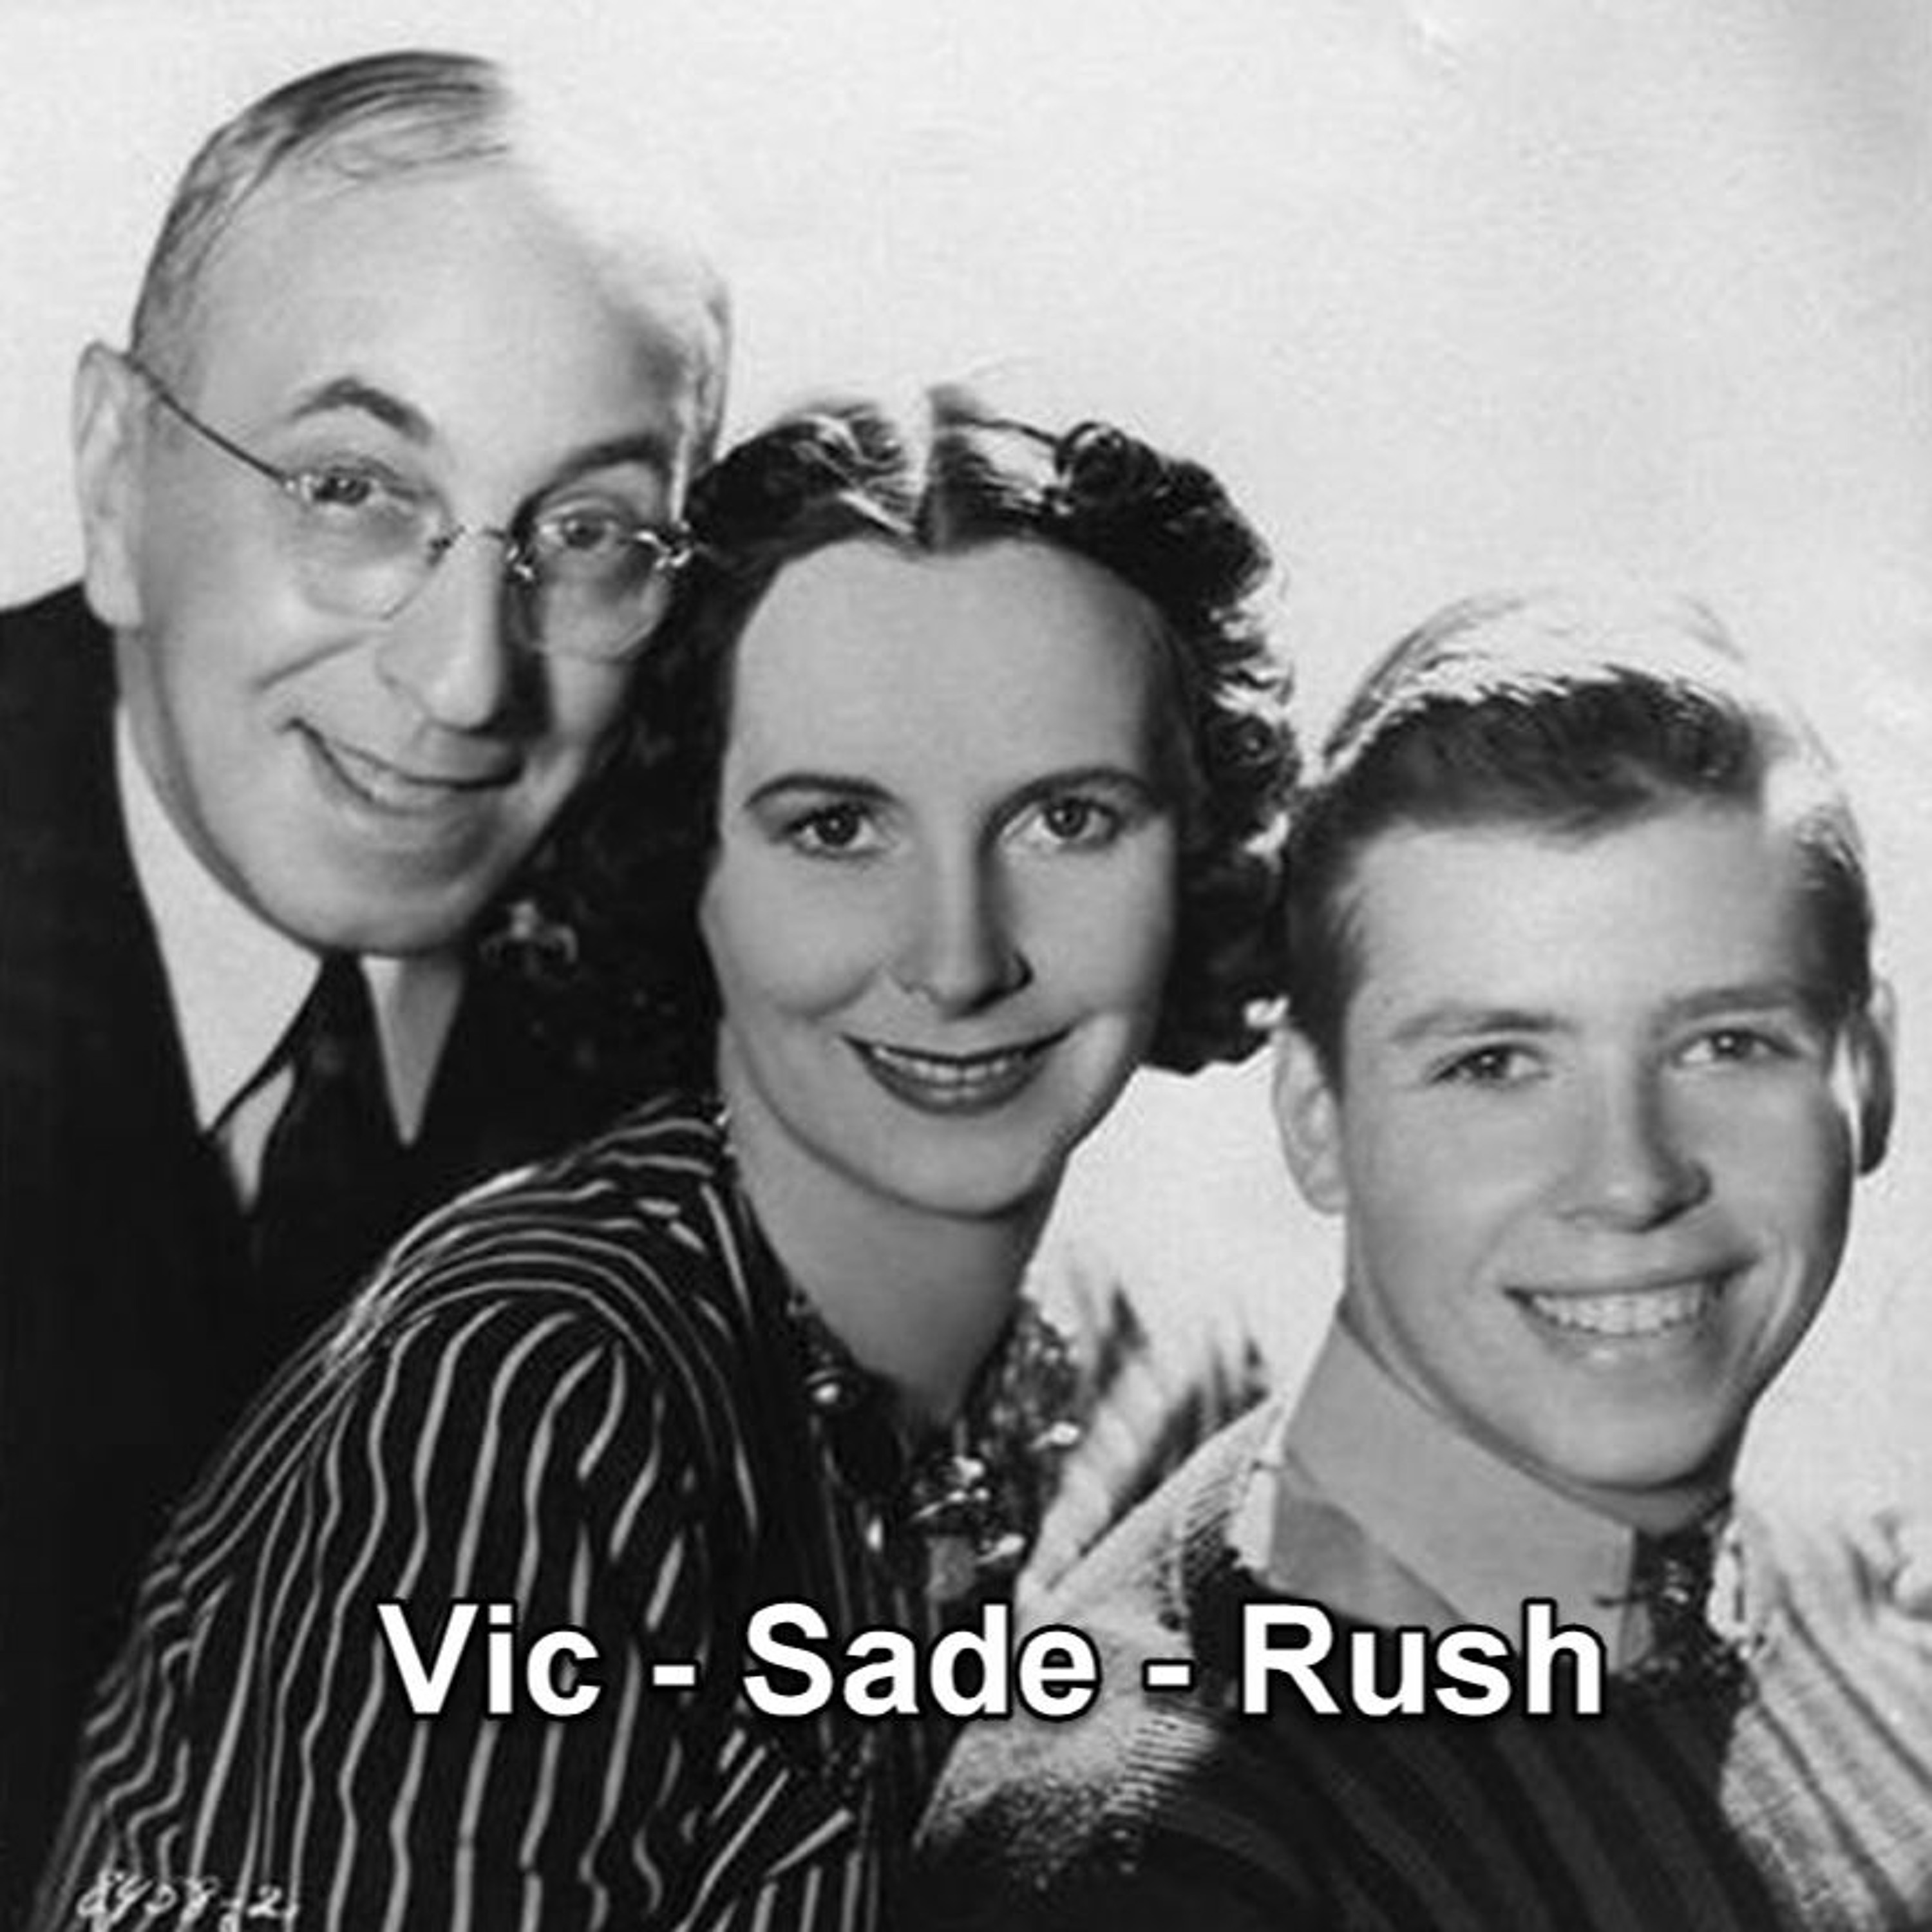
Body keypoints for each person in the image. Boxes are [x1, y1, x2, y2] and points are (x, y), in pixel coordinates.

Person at [28, 392, 1296, 1931]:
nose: (958, 958)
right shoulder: (530, 1386)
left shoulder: (1173, 1383)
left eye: (1067, 818)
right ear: (689, 861)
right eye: (835, 828)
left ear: (1197, 849)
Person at [0, 46, 728, 1913]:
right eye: (350, 488)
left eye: (588, 537)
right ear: (114, 478)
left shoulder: (696, 1035)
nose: (467, 679)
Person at [917, 591, 1932, 1928]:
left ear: (1871, 1071)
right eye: (1495, 1064)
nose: (1630, 1179)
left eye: (1726, 1045)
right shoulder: (1169, 1852)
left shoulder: (1874, 1606)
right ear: (1317, 1120)